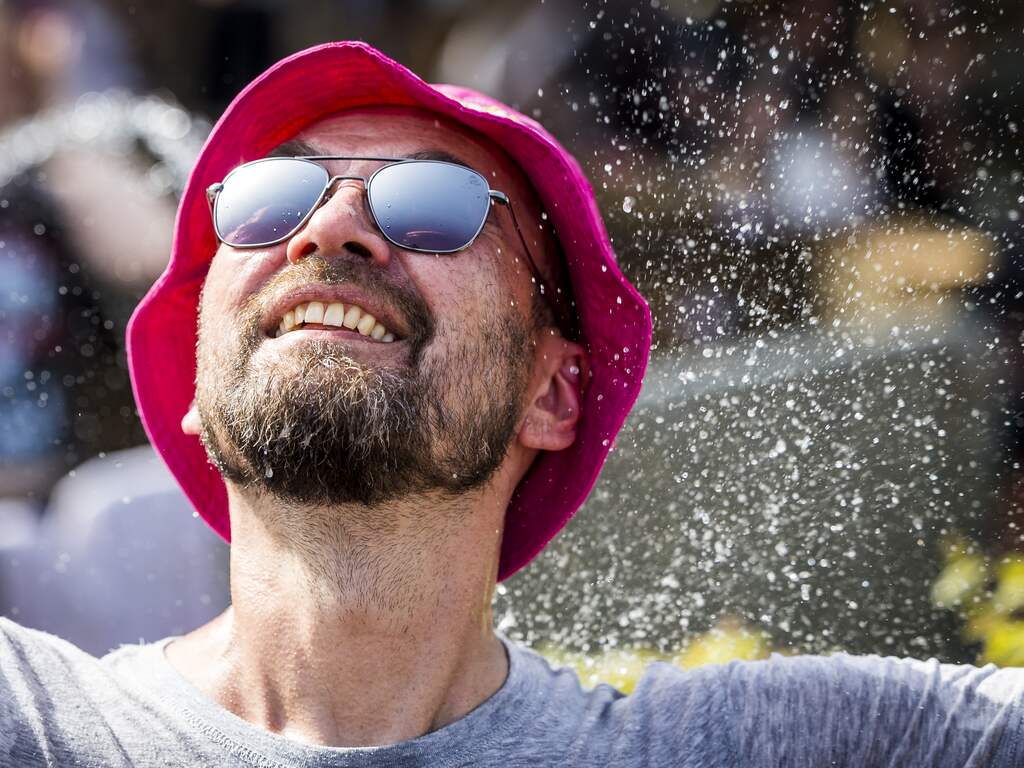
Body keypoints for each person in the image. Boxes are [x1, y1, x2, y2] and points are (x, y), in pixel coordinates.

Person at [1, 41, 1022, 767]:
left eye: (433, 207)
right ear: (193, 376)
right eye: (274, 195)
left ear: (553, 390)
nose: (333, 226)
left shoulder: (720, 747)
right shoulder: (35, 722)